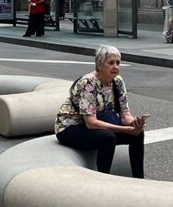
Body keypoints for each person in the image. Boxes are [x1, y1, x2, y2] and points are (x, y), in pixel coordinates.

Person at [55, 44, 145, 179]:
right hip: (70, 127)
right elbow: (91, 123)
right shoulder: (88, 83)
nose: (115, 67)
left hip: (97, 121)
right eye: (111, 63)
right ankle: (103, 180)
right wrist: (125, 129)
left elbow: (125, 115)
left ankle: (139, 179)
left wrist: (134, 124)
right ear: (99, 65)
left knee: (138, 134)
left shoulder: (118, 82)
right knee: (107, 138)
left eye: (118, 63)